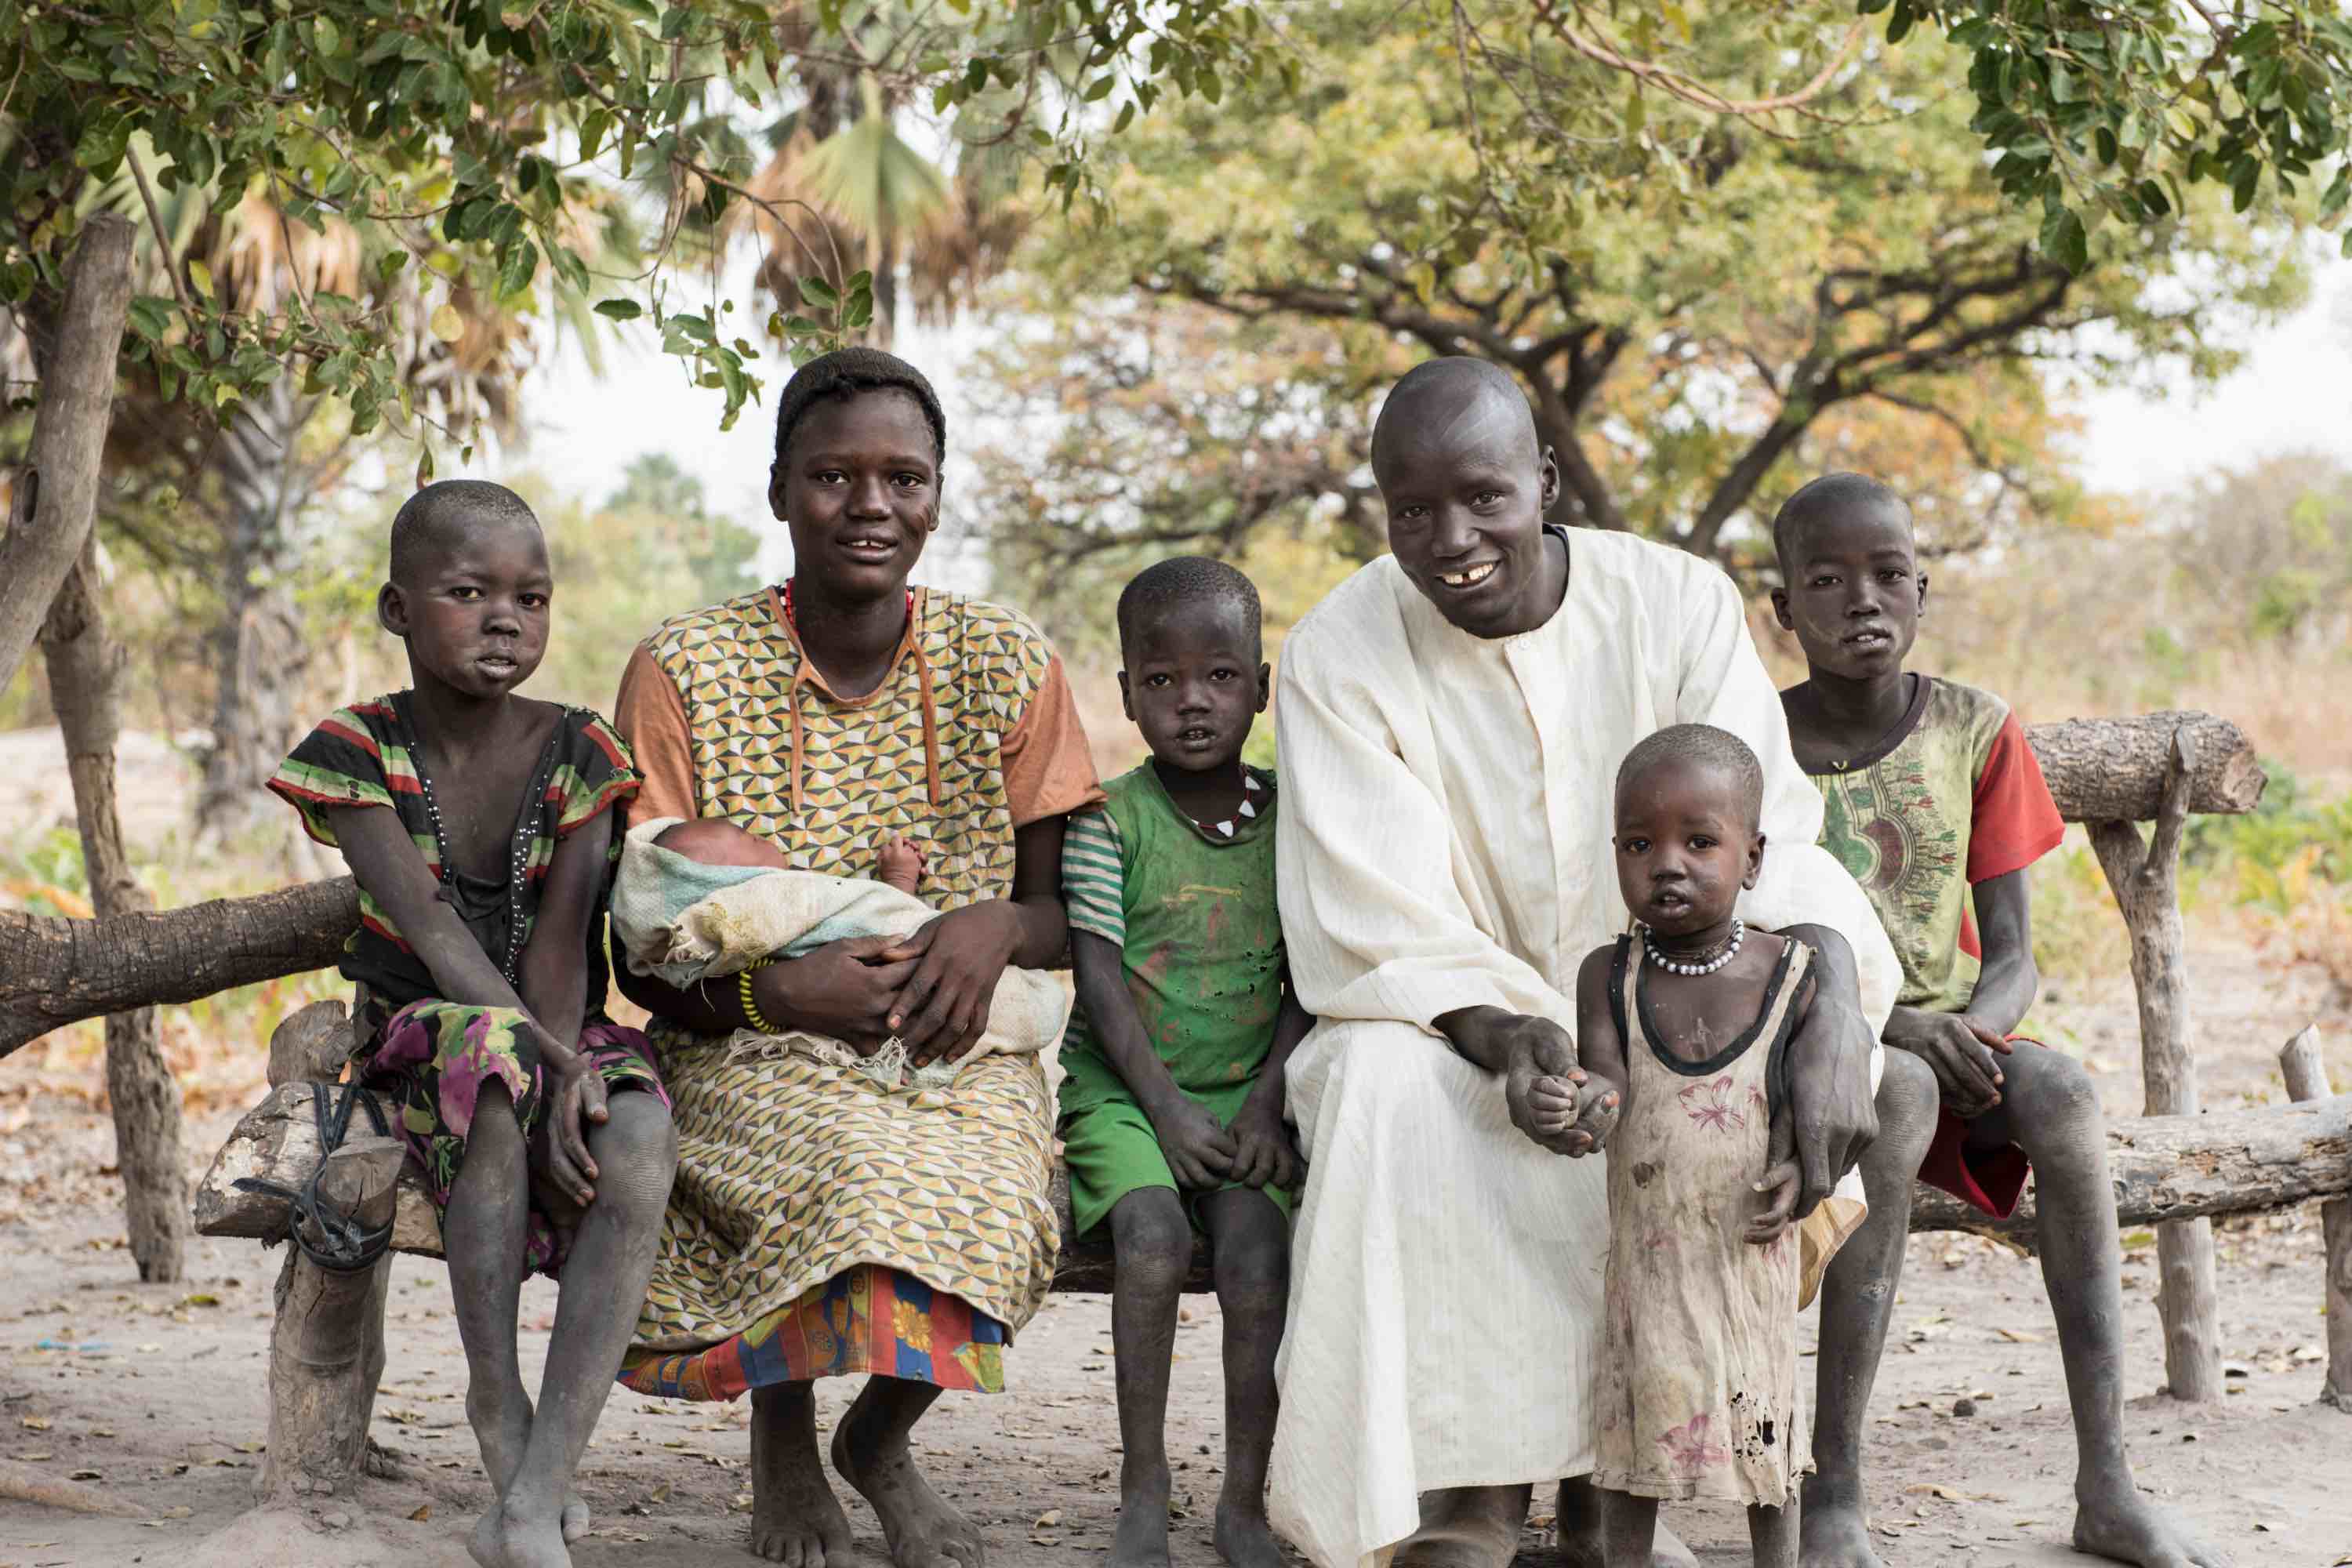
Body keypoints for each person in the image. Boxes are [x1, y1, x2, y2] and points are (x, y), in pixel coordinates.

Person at [1266, 357, 1902, 1568]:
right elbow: (1373, 912)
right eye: (1412, 510)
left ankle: (1615, 1492)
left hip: (1678, 988)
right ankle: (1462, 1492)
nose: (1450, 539)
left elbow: (1781, 845)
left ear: (1545, 481)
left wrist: (1828, 1003)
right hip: (1443, 1012)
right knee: (1378, 1088)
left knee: (1681, 1084)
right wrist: (1516, 1036)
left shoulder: (1676, 603)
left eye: (1484, 497)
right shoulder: (1340, 649)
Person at [606, 347, 1103, 1568]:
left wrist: (989, 928)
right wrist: (778, 991)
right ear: (779, 490)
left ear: (938, 494)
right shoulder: (687, 666)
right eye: (834, 476)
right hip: (749, 1035)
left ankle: (875, 1437)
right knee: (828, 1157)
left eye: (904, 478)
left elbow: (1064, 910)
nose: (871, 505)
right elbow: (645, 939)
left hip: (958, 1032)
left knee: (995, 1179)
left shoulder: (1005, 661)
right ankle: (784, 1442)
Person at [1770, 473, 2229, 1568]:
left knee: (2063, 1089)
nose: (1861, 602)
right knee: (1902, 1088)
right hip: (1810, 1042)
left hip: (1951, 1032)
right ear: (1781, 609)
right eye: (1825, 583)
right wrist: (1897, 1036)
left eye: (1888, 576)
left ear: (1923, 589)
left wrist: (1977, 1024)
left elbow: (2014, 952)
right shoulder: (1755, 744)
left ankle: (2106, 1481)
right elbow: (1754, 943)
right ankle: (1834, 1494)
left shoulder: (1976, 729)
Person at [267, 479, 677, 1568]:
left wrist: (563, 1076)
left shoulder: (584, 753)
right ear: (399, 609)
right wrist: (544, 1074)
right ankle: (496, 1406)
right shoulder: (357, 750)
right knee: (492, 1072)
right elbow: (438, 937)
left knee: (639, 1139)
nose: (507, 618)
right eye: (469, 591)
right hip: (418, 1040)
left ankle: (541, 1481)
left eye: (531, 599)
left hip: (554, 1027)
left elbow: (558, 946)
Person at [1056, 557, 1312, 1568]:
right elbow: (1100, 983)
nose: (1191, 702)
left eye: (1217, 676)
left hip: (1252, 1091)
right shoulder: (1105, 819)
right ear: (1126, 694)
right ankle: (1143, 1489)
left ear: (1260, 683)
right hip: (1128, 1090)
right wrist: (1160, 1109)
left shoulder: (1300, 817)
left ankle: (1243, 1498)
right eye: (1160, 681)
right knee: (1153, 1239)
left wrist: (1265, 1104)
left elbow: (1313, 973)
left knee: (1256, 1258)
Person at [1536, 725, 1821, 1568]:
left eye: (1700, 840)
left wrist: (1802, 1170)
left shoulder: (1791, 973)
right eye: (1639, 842)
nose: (1668, 862)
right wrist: (1579, 1101)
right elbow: (1608, 1082)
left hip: (1748, 1256)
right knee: (1637, 1429)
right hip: (1650, 1261)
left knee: (1765, 1418)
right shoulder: (1609, 974)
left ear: (1753, 855)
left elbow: (1809, 1107)